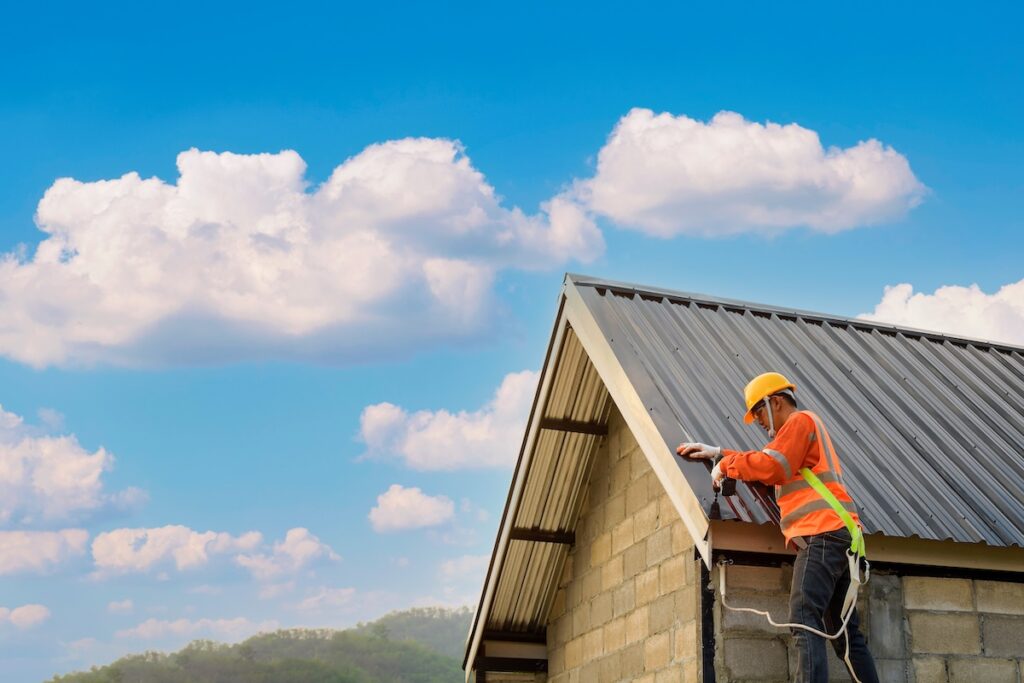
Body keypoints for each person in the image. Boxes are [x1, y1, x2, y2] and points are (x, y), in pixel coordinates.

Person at [676, 371, 879, 683]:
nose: (757, 420)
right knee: (845, 635)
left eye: (758, 410)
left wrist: (726, 464)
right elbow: (768, 461)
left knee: (803, 615)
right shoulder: (800, 433)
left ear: (776, 402)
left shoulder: (800, 421)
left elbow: (773, 466)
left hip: (823, 534)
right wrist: (719, 453)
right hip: (840, 536)